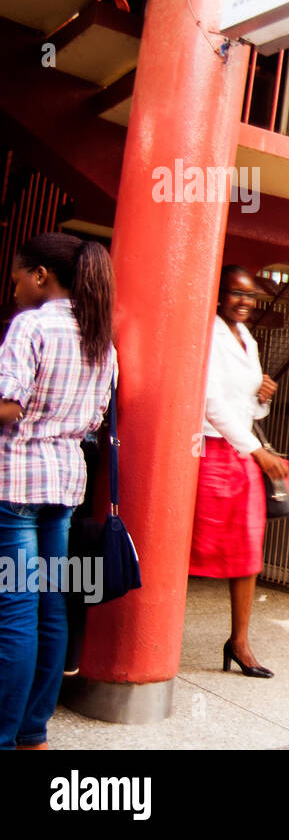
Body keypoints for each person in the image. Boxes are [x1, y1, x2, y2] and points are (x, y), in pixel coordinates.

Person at [0, 233, 116, 749]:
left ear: (41, 275)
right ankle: (32, 733)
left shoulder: (31, 325)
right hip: (64, 489)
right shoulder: (101, 339)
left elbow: (8, 405)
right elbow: (93, 422)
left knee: (14, 610)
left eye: (19, 275)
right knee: (50, 606)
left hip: (16, 484)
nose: (15, 285)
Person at [191, 266, 287, 679]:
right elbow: (209, 399)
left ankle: (240, 641)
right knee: (188, 546)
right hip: (208, 448)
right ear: (218, 295)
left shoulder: (247, 338)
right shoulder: (207, 332)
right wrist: (254, 449)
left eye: (251, 296)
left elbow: (245, 405)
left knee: (248, 550)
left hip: (239, 450)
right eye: (236, 293)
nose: (245, 302)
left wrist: (262, 397)